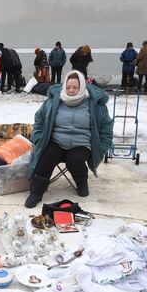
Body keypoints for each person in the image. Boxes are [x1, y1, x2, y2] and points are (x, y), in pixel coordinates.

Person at [25, 70, 113, 208]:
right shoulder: (54, 100)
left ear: (82, 87)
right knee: (47, 157)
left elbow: (106, 127)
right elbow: (39, 119)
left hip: (82, 143)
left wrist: (103, 146)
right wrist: (38, 137)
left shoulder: (95, 104)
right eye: (68, 87)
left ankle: (82, 183)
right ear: (64, 86)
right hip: (56, 141)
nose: (71, 90)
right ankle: (36, 193)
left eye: (75, 87)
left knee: (75, 160)